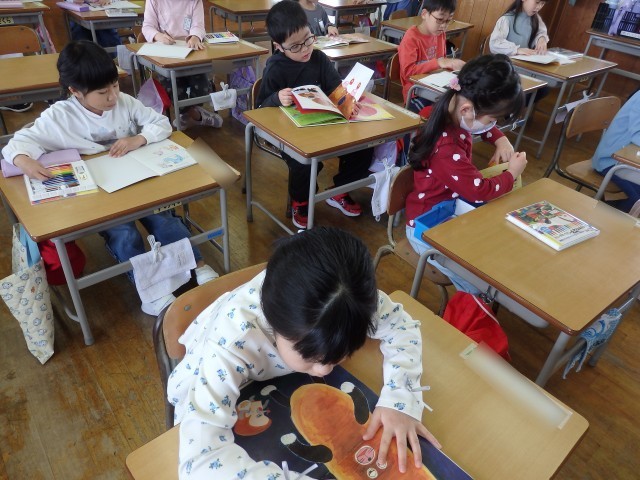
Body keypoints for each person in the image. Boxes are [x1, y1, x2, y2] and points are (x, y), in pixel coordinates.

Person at [169, 226, 440, 479]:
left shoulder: (346, 298)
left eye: (340, 354)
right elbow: (200, 461)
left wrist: (399, 399)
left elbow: (402, 326)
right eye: (311, 358)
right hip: (212, 386)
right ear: (273, 324)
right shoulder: (231, 341)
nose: (324, 370)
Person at [1, 41, 219, 315]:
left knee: (163, 219)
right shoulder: (60, 116)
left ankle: (196, 265)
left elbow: (161, 123)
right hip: (100, 193)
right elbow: (18, 143)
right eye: (103, 92)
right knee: (124, 233)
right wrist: (23, 159)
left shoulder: (124, 102)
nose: (113, 96)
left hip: (136, 179)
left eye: (115, 85)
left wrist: (138, 138)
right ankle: (149, 287)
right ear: (75, 91)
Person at [405, 54, 527, 293]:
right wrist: (511, 174)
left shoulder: (452, 109)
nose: (492, 125)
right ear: (467, 110)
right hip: (427, 228)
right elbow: (478, 191)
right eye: (493, 119)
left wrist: (499, 138)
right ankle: (472, 304)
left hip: (451, 211)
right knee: (480, 282)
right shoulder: (446, 148)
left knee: (495, 254)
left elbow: (478, 125)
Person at [256, 1, 373, 230]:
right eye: (295, 46)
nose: (305, 49)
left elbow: (336, 89)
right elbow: (259, 108)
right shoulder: (275, 68)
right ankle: (301, 201)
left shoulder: (318, 58)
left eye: (308, 39)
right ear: (279, 46)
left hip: (324, 124)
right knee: (305, 160)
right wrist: (276, 98)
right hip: (290, 133)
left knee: (363, 145)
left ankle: (340, 190)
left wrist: (348, 102)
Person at [142, 0, 223, 129]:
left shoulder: (194, 1)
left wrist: (195, 36)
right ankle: (197, 115)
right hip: (166, 55)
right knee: (172, 89)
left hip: (190, 53)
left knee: (202, 86)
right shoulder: (154, 1)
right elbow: (147, 26)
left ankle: (188, 114)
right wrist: (158, 36)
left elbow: (198, 25)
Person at [398, 0, 465, 113]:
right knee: (441, 113)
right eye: (439, 19)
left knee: (460, 104)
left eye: (448, 20)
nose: (444, 26)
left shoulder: (440, 34)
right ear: (424, 14)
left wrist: (453, 65)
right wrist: (439, 62)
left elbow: (442, 64)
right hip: (415, 94)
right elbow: (407, 72)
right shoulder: (412, 37)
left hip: (435, 87)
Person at [592, 88, 640, 213]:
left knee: (634, 199)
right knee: (635, 200)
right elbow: (637, 136)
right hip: (611, 160)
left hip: (630, 158)